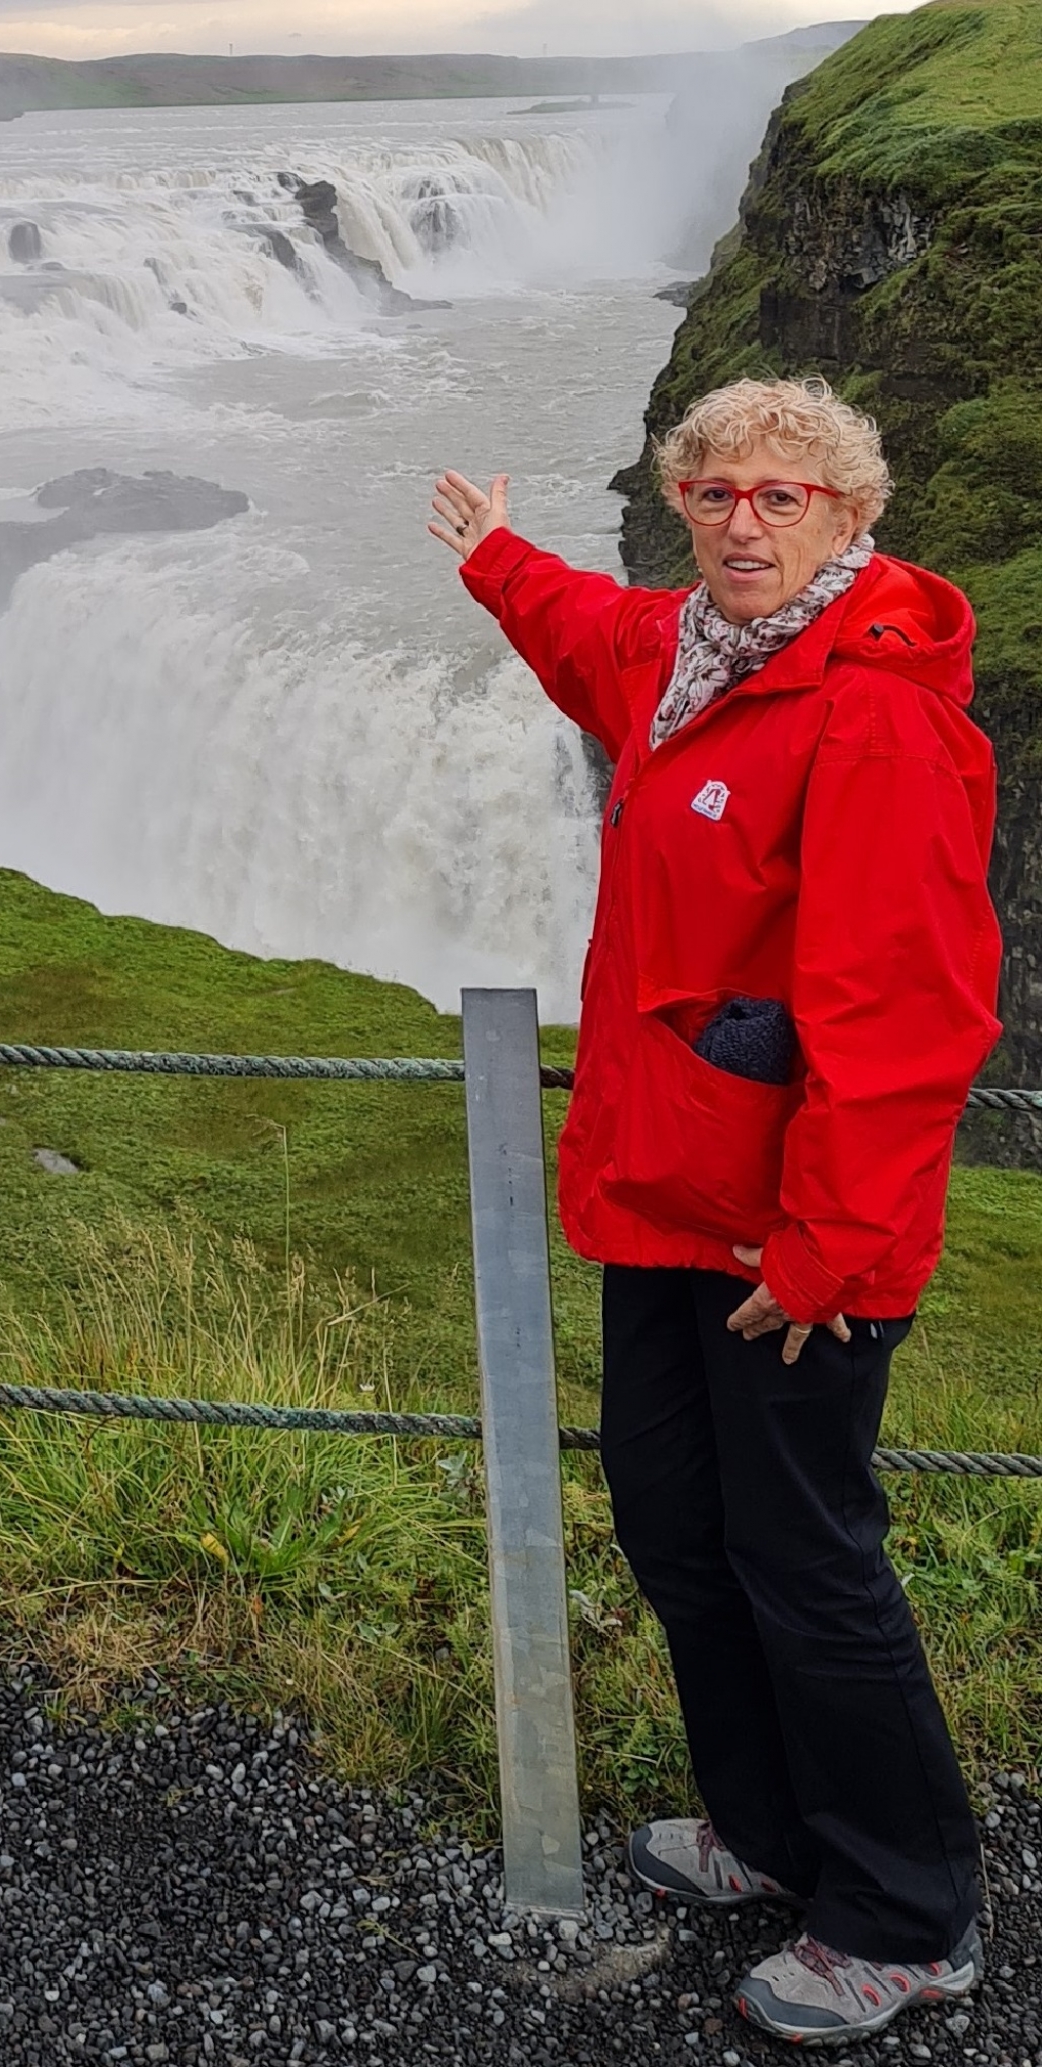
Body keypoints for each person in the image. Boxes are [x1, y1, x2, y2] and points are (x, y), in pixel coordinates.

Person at [433, 377, 997, 2047]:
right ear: (683, 507)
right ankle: (765, 1832)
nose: (746, 523)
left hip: (798, 1244)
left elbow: (907, 1011)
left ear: (851, 515)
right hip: (668, 1192)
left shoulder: (872, 708)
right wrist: (497, 559)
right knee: (682, 1527)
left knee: (809, 1560)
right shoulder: (687, 660)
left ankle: (907, 1911)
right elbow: (586, 631)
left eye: (784, 498)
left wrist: (828, 1247)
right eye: (716, 495)